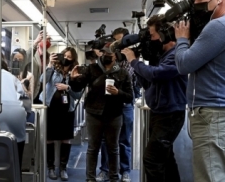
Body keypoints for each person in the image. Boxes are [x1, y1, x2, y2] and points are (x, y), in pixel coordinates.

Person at [122, 14, 187, 182]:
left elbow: (156, 74)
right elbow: (148, 82)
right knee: (166, 158)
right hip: (159, 112)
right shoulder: (161, 57)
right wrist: (136, 65)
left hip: (170, 115)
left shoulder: (176, 55)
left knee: (152, 159)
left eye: (152, 35)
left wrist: (134, 61)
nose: (151, 39)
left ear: (164, 33)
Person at [174, 0, 225, 181]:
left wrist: (181, 39)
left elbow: (184, 64)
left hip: (212, 115)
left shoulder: (217, 26)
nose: (196, 4)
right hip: (218, 111)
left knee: (209, 176)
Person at [69, 43, 133, 182]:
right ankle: (90, 178)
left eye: (108, 55)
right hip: (93, 113)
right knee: (93, 147)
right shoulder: (91, 69)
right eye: (103, 54)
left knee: (113, 148)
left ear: (115, 56)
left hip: (114, 114)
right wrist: (73, 79)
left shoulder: (123, 73)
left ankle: (114, 177)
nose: (105, 56)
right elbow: (77, 87)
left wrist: (118, 93)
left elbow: (129, 97)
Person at [96, 27, 140, 182]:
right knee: (105, 139)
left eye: (121, 41)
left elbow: (129, 75)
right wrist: (101, 60)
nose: (117, 45)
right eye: (115, 42)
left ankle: (125, 170)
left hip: (125, 103)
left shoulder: (131, 58)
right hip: (108, 104)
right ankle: (105, 170)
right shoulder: (107, 58)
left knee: (124, 139)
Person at [39, 47, 82, 181]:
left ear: (73, 59)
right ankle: (50, 167)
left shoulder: (75, 73)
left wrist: (67, 87)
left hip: (67, 111)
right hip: (51, 109)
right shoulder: (53, 70)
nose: (66, 58)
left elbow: (78, 94)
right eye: (64, 55)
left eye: (69, 57)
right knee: (49, 138)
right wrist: (50, 65)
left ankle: (63, 168)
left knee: (66, 138)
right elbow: (42, 80)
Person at [26, 30, 51, 104]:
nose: (47, 41)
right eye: (45, 39)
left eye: (49, 39)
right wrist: (35, 43)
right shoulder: (33, 56)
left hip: (44, 93)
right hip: (33, 91)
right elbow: (25, 59)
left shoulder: (49, 58)